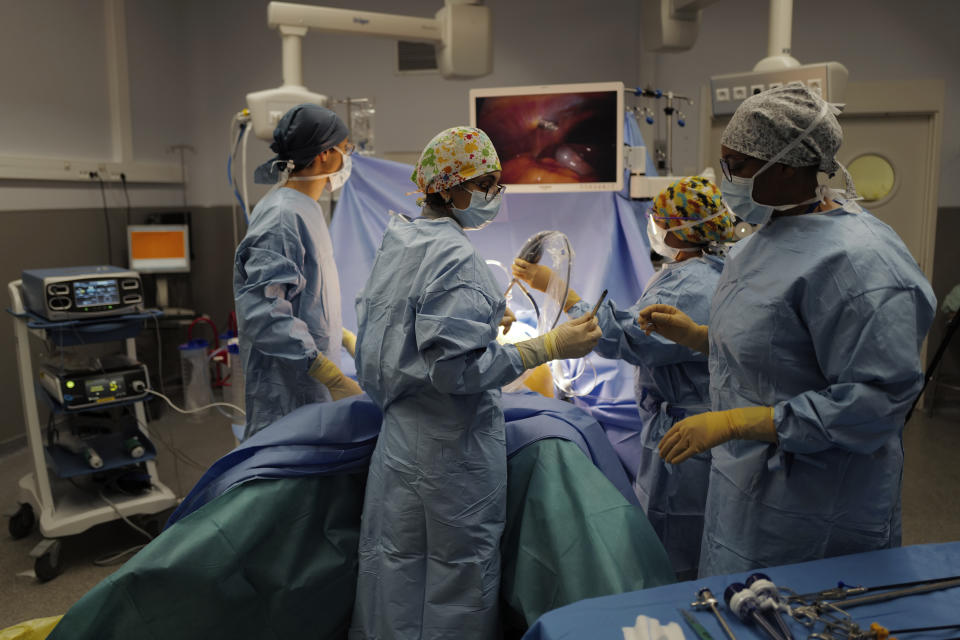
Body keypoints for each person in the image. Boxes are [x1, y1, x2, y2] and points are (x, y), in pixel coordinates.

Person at [637, 83, 937, 577]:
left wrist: (736, 422)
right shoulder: (761, 241)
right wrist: (699, 336)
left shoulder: (862, 264)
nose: (727, 178)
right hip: (744, 486)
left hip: (816, 500)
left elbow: (877, 401)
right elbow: (782, 349)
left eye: (738, 165)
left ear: (789, 167)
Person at [349, 126, 602, 639]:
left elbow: (402, 335)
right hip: (451, 456)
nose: (493, 193)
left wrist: (483, 319)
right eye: (485, 182)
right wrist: (549, 346)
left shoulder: (401, 240)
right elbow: (458, 372)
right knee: (456, 576)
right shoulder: (459, 259)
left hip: (399, 445)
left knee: (393, 570)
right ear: (446, 188)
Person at [512, 175, 737, 580]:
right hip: (697, 425)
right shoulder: (715, 268)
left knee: (676, 540)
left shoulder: (691, 283)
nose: (654, 227)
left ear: (677, 229)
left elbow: (628, 337)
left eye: (657, 220)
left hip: (685, 437)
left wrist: (558, 289)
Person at [234, 104, 360, 439]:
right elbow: (265, 314)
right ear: (323, 154)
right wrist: (331, 376)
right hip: (286, 394)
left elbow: (303, 294)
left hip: (309, 387)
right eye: (345, 149)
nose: (348, 158)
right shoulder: (281, 217)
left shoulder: (305, 210)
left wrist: (341, 335)